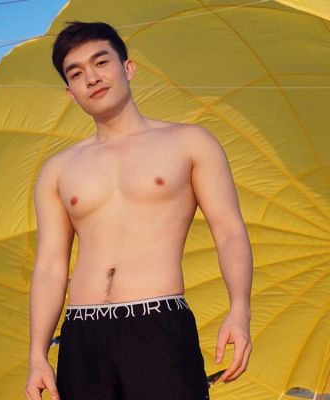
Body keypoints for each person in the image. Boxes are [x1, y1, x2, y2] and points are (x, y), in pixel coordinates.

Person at [25, 20, 253, 400]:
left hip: (159, 324)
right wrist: (37, 354)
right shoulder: (58, 170)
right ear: (70, 93)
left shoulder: (190, 142)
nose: (92, 78)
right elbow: (50, 265)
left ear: (128, 68)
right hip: (82, 337)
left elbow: (229, 230)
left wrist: (240, 309)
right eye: (77, 73)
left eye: (101, 62)